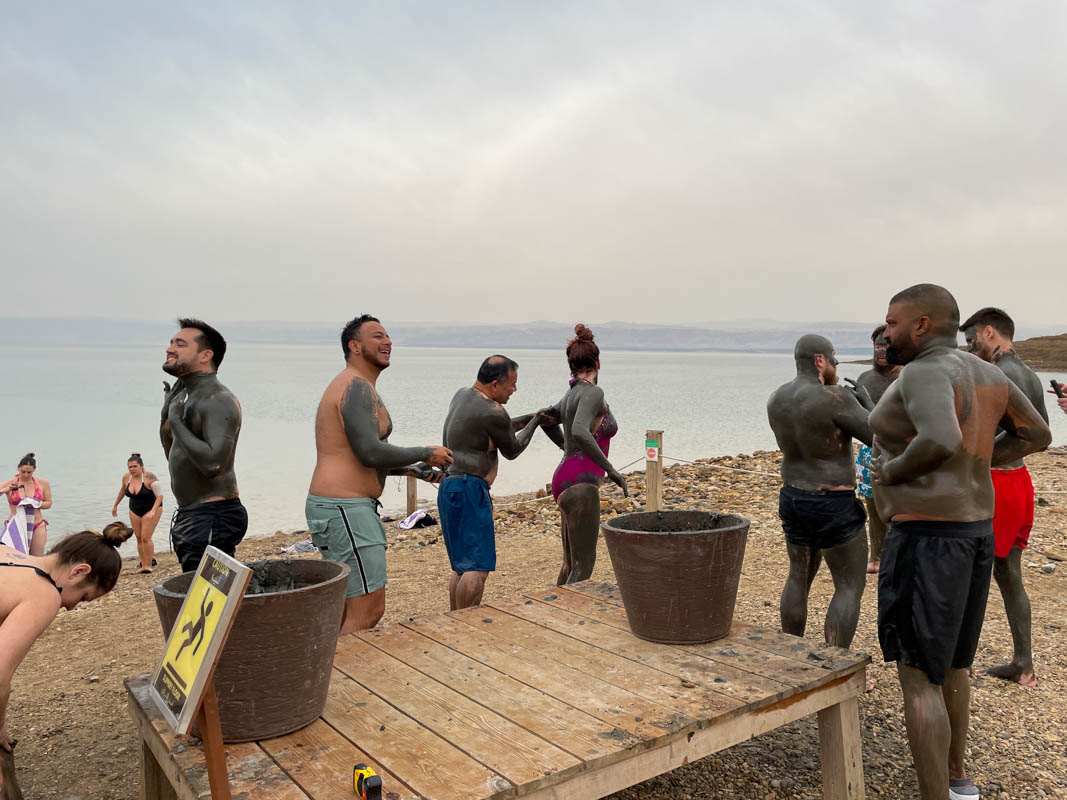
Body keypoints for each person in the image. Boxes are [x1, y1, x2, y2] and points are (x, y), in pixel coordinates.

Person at [871, 284, 1051, 800]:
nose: (886, 331)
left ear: (922, 324)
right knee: (953, 664)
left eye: (892, 321)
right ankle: (955, 780)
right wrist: (980, 462)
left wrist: (892, 472)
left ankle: (936, 796)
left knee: (918, 675)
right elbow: (1036, 434)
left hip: (927, 538)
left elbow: (940, 438)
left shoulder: (927, 371)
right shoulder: (989, 372)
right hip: (974, 532)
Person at [306, 315, 452, 632]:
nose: (386, 341)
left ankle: (329, 675)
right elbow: (369, 452)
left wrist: (415, 470)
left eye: (387, 335)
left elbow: (360, 455)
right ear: (354, 346)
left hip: (339, 508)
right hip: (344, 509)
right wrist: (427, 452)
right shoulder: (355, 387)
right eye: (376, 336)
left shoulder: (359, 387)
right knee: (368, 610)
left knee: (347, 608)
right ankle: (342, 679)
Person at [0, 523, 135, 796]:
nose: (71, 607)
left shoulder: (7, 553)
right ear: (79, 571)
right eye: (84, 597)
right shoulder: (44, 591)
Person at [960, 307, 1050, 687]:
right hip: (1018, 482)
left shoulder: (1000, 373)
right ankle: (1022, 663)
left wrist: (977, 458)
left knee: (976, 573)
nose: (968, 348)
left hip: (997, 483)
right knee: (1008, 574)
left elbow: (1030, 435)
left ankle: (958, 661)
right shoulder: (1026, 372)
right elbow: (1040, 435)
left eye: (972, 340)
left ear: (991, 332)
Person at [766, 334, 873, 650]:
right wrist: (869, 405)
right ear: (819, 361)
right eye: (835, 358)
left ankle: (793, 653)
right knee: (849, 586)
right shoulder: (835, 398)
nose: (837, 365)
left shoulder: (777, 398)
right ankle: (834, 664)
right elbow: (876, 435)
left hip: (794, 496)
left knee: (798, 577)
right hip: (833, 502)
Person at [439, 356, 545, 609]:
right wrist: (537, 422)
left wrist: (529, 417)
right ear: (495, 384)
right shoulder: (493, 411)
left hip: (450, 486)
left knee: (462, 566)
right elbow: (513, 448)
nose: (514, 390)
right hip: (470, 489)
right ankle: (466, 623)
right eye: (512, 384)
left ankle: (455, 620)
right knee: (477, 567)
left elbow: (497, 427)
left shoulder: (462, 395)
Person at [540, 324, 627, 585]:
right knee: (584, 566)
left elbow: (545, 418)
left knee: (569, 563)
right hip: (582, 483)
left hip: (564, 477)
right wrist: (611, 470)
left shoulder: (570, 394)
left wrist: (565, 449)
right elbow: (579, 430)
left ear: (571, 365)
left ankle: (555, 613)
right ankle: (566, 622)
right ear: (598, 362)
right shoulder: (593, 393)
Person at [160, 319, 247, 572]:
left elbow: (213, 464)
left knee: (208, 605)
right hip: (193, 514)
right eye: (171, 342)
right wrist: (167, 415)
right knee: (202, 600)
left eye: (180, 344)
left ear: (205, 355)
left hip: (213, 515)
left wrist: (176, 421)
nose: (170, 348)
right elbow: (173, 455)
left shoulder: (218, 399)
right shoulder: (187, 397)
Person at [847, 325, 901, 574]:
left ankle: (896, 553)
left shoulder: (907, 376)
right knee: (873, 505)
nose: (882, 350)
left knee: (899, 505)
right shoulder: (865, 379)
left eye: (886, 345)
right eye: (878, 345)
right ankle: (876, 555)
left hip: (902, 450)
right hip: (870, 450)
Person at [111, 453, 164, 574]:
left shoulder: (150, 477)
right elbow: (122, 491)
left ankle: (149, 565)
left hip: (152, 508)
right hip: (135, 509)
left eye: (135, 466)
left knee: (146, 537)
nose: (132, 469)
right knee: (139, 538)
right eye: (130, 467)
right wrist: (115, 505)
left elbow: (160, 496)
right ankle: (143, 563)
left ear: (141, 466)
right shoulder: (126, 477)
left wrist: (153, 511)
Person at [2, 455, 52, 557]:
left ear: (34, 470)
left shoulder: (43, 483)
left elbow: (49, 503)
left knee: (36, 558)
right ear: (18, 468)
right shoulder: (10, 483)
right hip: (15, 525)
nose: (25, 474)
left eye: (29, 472)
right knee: (15, 557)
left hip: (37, 525)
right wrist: (6, 490)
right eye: (23, 471)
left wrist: (36, 503)